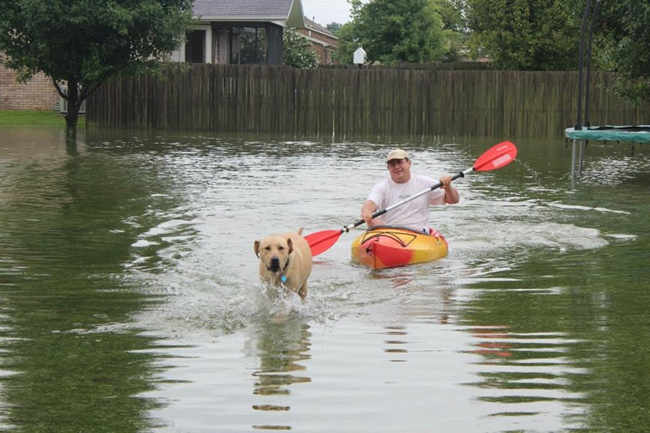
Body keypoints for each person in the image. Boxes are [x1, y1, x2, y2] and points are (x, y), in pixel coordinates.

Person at [360, 148, 459, 233]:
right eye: (392, 164)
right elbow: (371, 202)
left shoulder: (425, 183)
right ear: (388, 168)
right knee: (373, 220)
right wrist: (366, 212)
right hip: (390, 233)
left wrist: (448, 187)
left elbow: (453, 200)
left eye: (399, 162)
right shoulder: (381, 187)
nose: (397, 167)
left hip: (419, 233)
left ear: (409, 163)